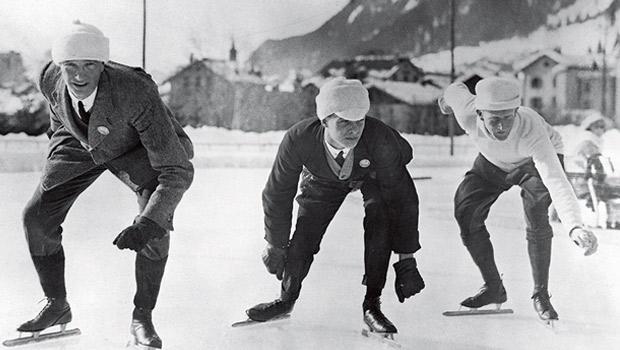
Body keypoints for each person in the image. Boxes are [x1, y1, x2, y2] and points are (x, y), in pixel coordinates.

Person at [17, 21, 193, 349]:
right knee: (36, 217)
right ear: (59, 66)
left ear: (103, 65)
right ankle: (56, 305)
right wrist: (58, 159)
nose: (79, 75)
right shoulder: (49, 76)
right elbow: (58, 115)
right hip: (79, 141)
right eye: (71, 66)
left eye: (90, 65)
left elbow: (176, 169)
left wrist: (149, 223)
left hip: (138, 147)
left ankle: (142, 316)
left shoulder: (135, 91)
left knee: (155, 225)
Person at [245, 78, 425, 335]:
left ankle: (372, 304)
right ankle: (286, 300)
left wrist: (407, 258)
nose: (353, 130)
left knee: (380, 219)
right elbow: (277, 192)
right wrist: (275, 243)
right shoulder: (299, 139)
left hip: (372, 173)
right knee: (304, 237)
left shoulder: (380, 139)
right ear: (324, 121)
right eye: (343, 122)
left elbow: (403, 197)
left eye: (359, 122)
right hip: (323, 179)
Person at [439, 77, 598, 323]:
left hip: (532, 162)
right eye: (494, 120)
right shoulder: (467, 113)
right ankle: (493, 287)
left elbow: (556, 180)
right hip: (492, 161)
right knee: (465, 210)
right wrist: (444, 101)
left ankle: (541, 294)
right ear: (480, 114)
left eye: (508, 117)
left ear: (516, 111)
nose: (502, 127)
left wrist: (575, 226)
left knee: (536, 214)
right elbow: (454, 90)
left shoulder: (531, 129)